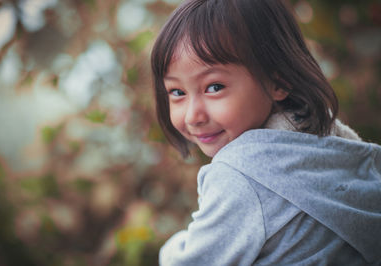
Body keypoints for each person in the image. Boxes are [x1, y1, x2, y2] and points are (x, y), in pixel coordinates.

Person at [150, 0, 381, 265]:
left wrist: (169, 250)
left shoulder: (240, 174)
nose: (193, 116)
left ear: (279, 81)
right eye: (177, 92)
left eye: (214, 87)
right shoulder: (329, 138)